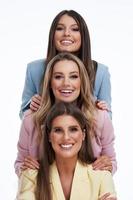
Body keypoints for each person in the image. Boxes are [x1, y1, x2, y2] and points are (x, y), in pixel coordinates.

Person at [14, 52, 116, 177]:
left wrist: (108, 165)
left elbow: (111, 161)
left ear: (81, 81)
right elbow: (19, 163)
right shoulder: (30, 119)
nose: (66, 83)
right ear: (50, 83)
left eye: (73, 76)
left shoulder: (100, 117)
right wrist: (24, 168)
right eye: (58, 77)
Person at [20, 9, 111, 119]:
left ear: (83, 36)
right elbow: (23, 114)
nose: (67, 33)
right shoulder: (34, 69)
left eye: (75, 29)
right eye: (59, 28)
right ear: (53, 35)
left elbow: (108, 120)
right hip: (44, 134)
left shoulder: (100, 72)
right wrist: (31, 105)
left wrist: (102, 112)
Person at [16, 102, 117, 200]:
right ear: (49, 136)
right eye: (58, 130)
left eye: (73, 129)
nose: (66, 137)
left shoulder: (102, 175)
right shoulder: (30, 175)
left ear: (83, 134)